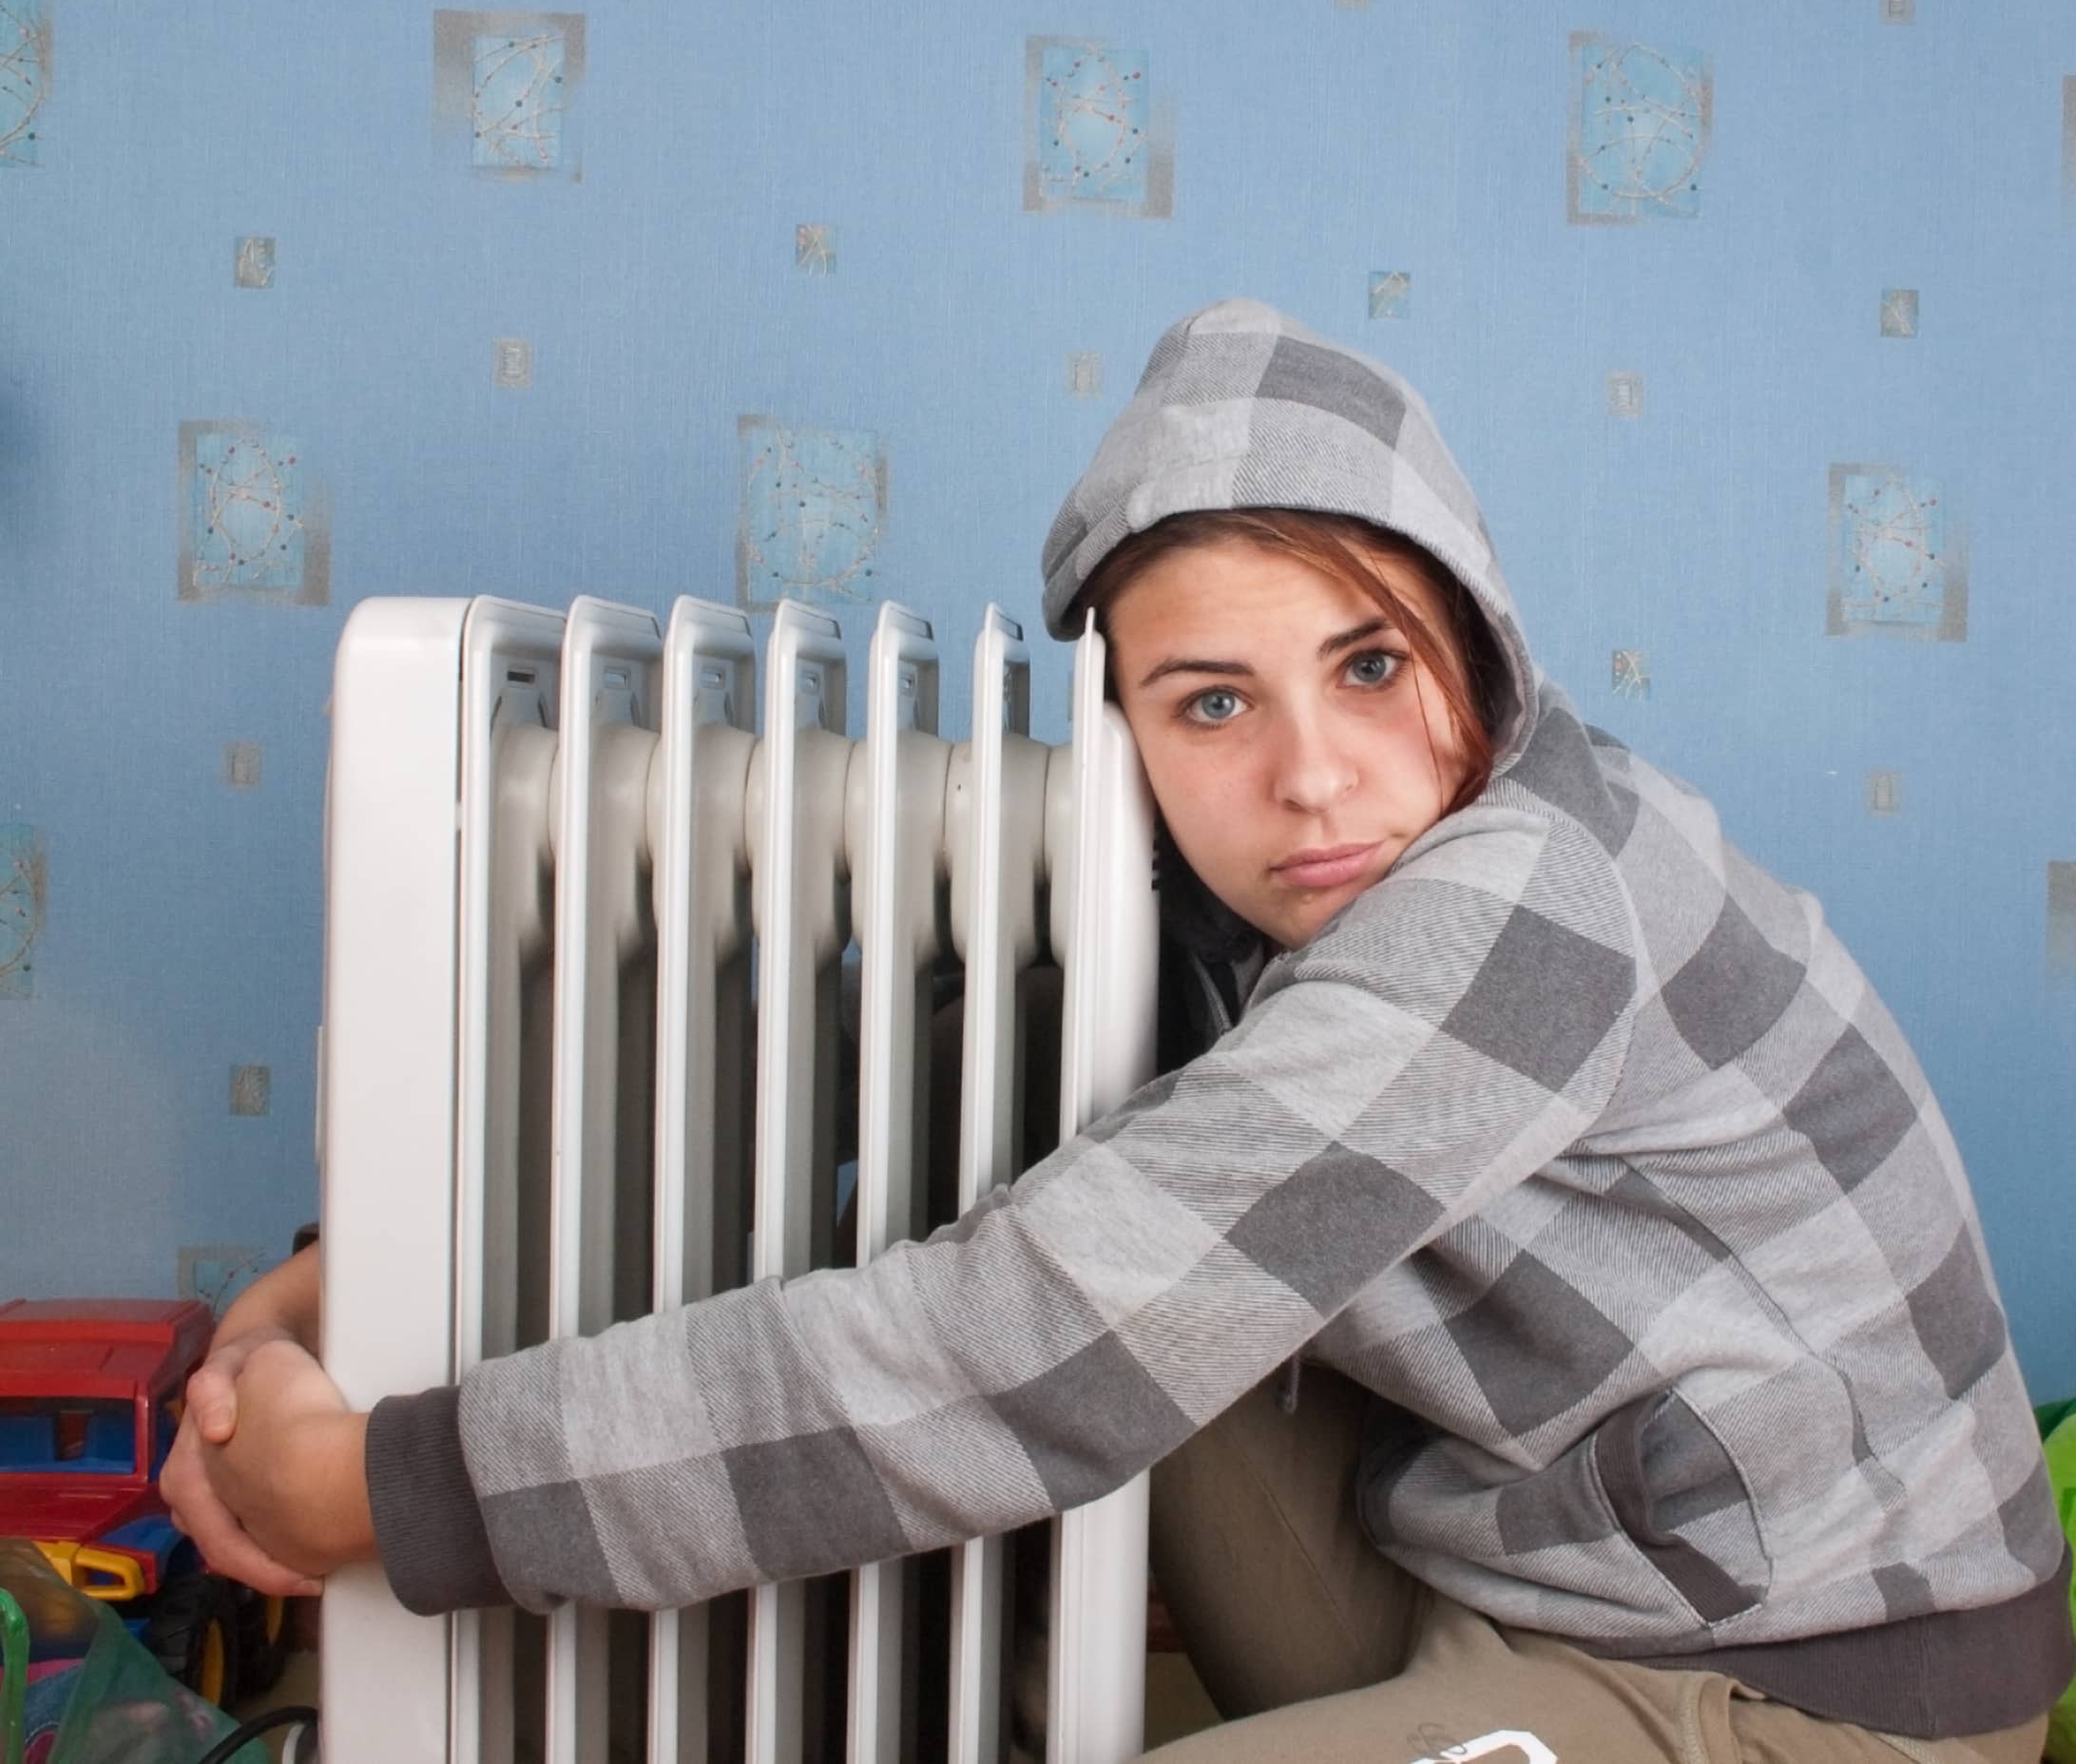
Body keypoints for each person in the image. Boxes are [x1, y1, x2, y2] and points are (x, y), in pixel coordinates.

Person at [164, 298, 2072, 1761]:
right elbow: (865, 1097)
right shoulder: (1191, 886)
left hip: (1798, 1688)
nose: (1314, 781)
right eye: (1210, 704)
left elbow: (1040, 1351)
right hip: (1518, 1561)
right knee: (1058, 1164)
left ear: (1476, 645)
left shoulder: (1526, 903)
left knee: (1073, 1320)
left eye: (1370, 663)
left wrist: (390, 1488)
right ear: (1124, 726)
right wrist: (348, 1291)